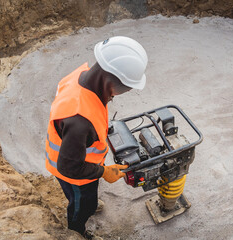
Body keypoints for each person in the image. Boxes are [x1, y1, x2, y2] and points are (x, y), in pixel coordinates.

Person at [45, 36, 148, 239]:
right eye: (127, 88)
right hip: (71, 174)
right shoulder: (80, 122)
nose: (125, 92)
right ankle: (77, 230)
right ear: (110, 81)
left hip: (78, 157)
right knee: (82, 205)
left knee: (88, 197)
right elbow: (69, 167)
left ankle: (87, 202)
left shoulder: (81, 78)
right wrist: (104, 172)